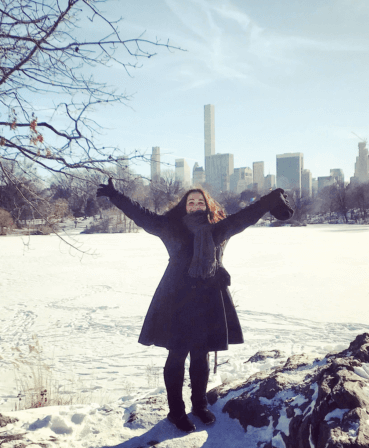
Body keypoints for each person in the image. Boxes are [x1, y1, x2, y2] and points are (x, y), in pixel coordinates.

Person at [96, 179, 293, 433]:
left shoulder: (218, 228)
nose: (195, 204)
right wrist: (115, 195)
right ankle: (176, 412)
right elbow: (141, 215)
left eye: (200, 201)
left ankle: (199, 406)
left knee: (201, 355)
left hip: (208, 299)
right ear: (184, 206)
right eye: (191, 201)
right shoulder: (169, 227)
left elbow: (246, 217)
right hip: (175, 300)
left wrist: (271, 199)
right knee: (177, 355)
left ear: (208, 205)